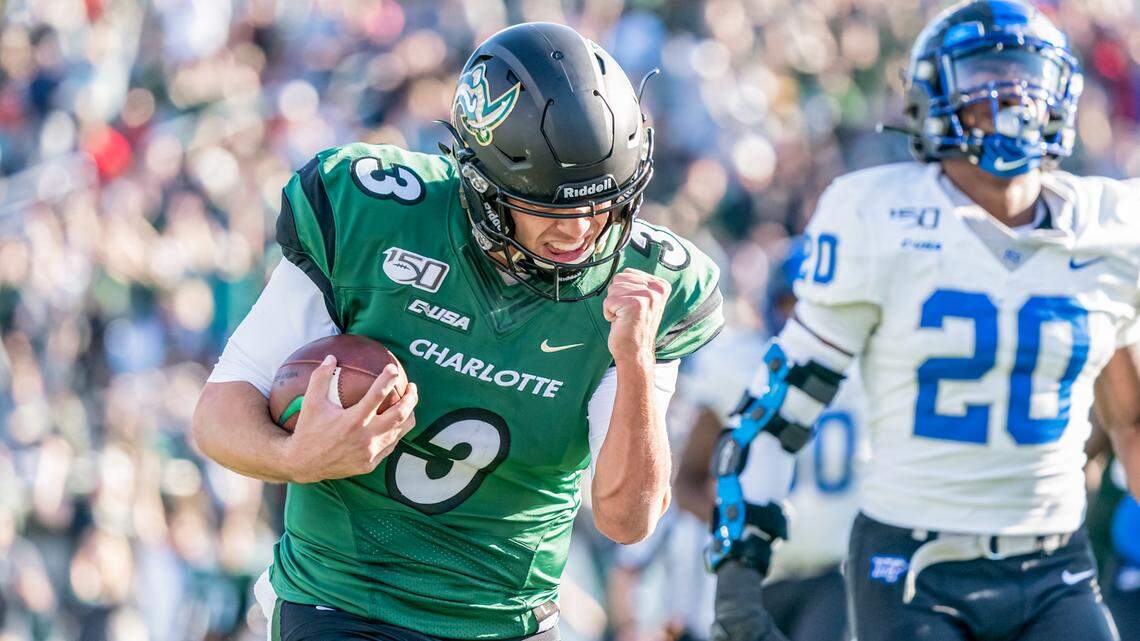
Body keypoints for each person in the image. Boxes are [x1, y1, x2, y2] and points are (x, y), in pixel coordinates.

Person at [191, 22, 724, 641]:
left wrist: (634, 361)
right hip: (343, 601)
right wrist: (296, 457)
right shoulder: (375, 216)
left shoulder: (644, 283)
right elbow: (219, 412)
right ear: (482, 183)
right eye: (552, 206)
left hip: (509, 618)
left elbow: (626, 520)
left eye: (605, 202)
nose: (582, 229)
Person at [705, 2, 1140, 641]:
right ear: (935, 97)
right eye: (985, 75)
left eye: (1025, 75)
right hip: (912, 568)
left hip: (1056, 563)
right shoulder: (878, 215)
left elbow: (1130, 418)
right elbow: (780, 406)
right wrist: (740, 579)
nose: (1010, 94)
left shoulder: (1114, 228)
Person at [671, 239, 867, 641]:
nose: (804, 319)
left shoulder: (871, 368)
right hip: (751, 574)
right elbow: (688, 481)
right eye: (791, 303)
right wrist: (740, 528)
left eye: (818, 304)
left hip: (832, 572)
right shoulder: (737, 364)